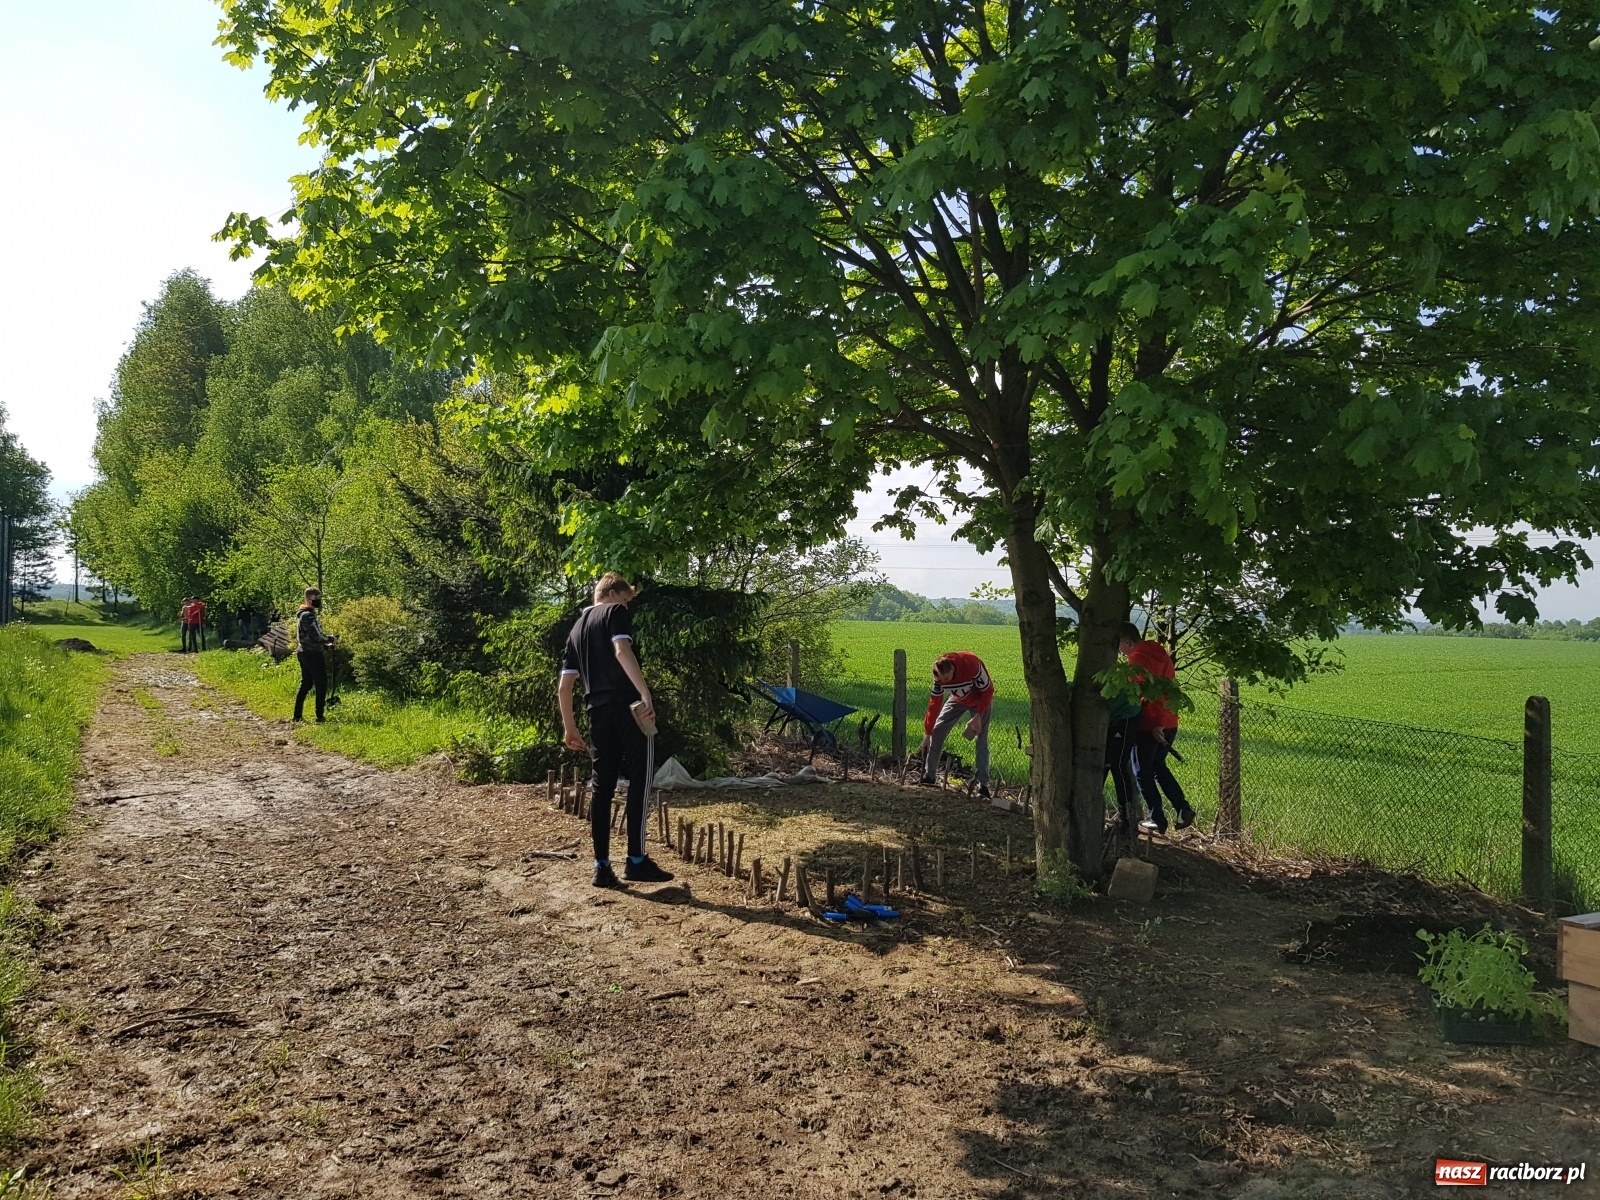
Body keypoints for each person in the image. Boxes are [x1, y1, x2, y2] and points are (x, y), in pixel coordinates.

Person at [559, 572, 674, 888]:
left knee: (602, 786)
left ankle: (602, 866)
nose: (626, 606)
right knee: (640, 779)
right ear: (612, 593)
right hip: (628, 708)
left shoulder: (576, 630)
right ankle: (636, 860)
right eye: (625, 599)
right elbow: (622, 651)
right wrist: (644, 693)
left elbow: (565, 686)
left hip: (596, 712)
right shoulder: (614, 612)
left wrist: (570, 728)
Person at [1118, 622, 1196, 834]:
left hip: (1150, 724)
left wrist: (1156, 724)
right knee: (1157, 767)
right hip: (1170, 720)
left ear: (1127, 642)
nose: (1119, 651)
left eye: (1119, 645)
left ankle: (1157, 818)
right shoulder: (1160, 653)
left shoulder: (1137, 658)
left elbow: (1150, 693)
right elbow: (1166, 689)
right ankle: (1182, 808)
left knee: (1142, 772)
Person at [917, 651, 994, 797]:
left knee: (981, 738)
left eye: (947, 679)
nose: (945, 683)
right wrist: (927, 733)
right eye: (942, 680)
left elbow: (988, 691)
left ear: (952, 669)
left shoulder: (971, 665)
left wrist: (978, 716)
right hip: (958, 700)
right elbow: (934, 703)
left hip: (980, 702)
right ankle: (929, 776)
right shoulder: (939, 678)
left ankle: (983, 785)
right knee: (937, 730)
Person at [293, 587, 336, 723]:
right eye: (315, 599)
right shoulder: (308, 616)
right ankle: (319, 716)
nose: (318, 601)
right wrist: (330, 639)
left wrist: (325, 644)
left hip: (304, 651)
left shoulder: (304, 614)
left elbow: (311, 636)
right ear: (308, 599)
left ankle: (297, 716)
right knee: (321, 682)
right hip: (312, 654)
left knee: (306, 683)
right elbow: (316, 636)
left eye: (319, 598)